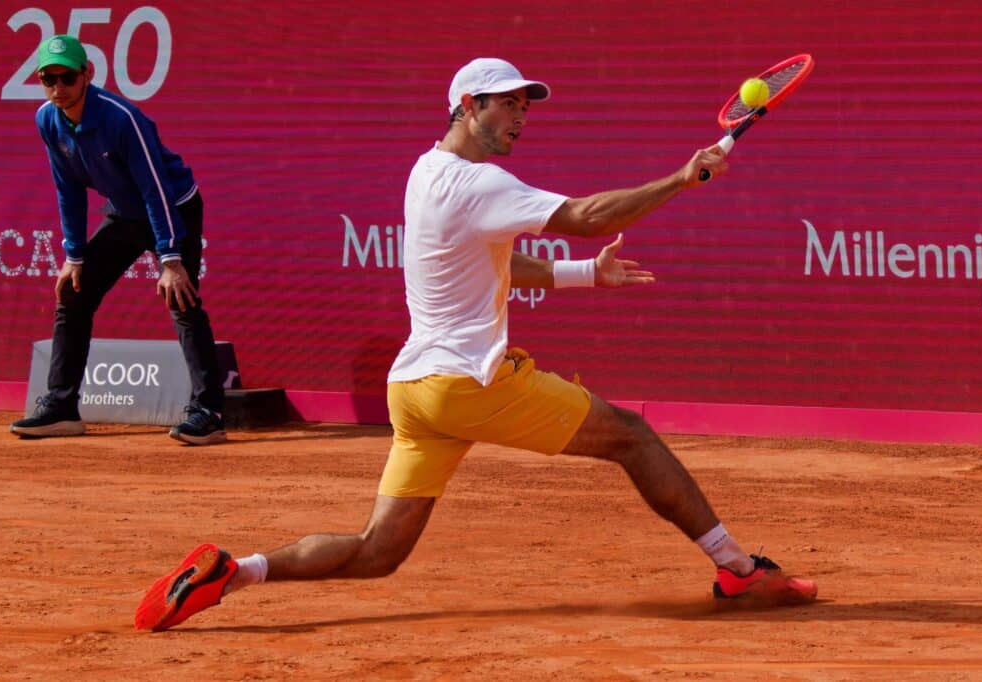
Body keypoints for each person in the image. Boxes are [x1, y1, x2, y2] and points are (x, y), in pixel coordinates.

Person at [135, 57, 816, 631]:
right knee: (632, 435)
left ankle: (234, 570)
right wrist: (678, 179)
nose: (520, 116)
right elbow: (584, 216)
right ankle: (739, 572)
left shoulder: (424, 172)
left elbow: (490, 262)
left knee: (379, 552)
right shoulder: (483, 183)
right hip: (470, 384)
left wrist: (587, 276)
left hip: (415, 393)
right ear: (468, 105)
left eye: (526, 106)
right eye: (507, 105)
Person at [10, 35, 226, 445]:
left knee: (181, 298)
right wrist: (73, 254)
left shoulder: (122, 118)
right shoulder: (47, 119)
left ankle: (209, 411)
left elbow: (155, 188)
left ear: (86, 74)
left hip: (172, 206)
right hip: (125, 213)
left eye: (67, 78)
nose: (58, 88)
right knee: (74, 293)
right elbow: (67, 187)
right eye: (48, 79)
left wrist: (170, 257)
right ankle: (60, 407)